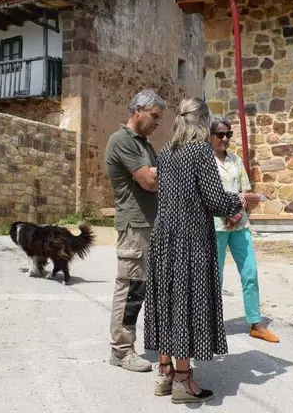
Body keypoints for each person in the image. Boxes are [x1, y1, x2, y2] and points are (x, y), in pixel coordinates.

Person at [144, 98, 258, 404]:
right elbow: (216, 200)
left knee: (166, 301)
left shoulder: (166, 152)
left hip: (163, 237)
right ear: (203, 122)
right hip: (190, 239)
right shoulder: (200, 152)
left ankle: (165, 372)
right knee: (184, 304)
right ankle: (183, 380)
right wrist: (242, 200)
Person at [104, 89, 164, 373]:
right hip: (135, 226)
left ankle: (134, 344)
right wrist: (156, 174)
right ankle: (121, 351)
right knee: (131, 288)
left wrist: (157, 172)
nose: (157, 123)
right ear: (137, 110)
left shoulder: (144, 144)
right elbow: (149, 182)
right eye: (154, 116)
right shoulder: (122, 140)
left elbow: (156, 175)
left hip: (150, 224)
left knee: (143, 287)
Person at [209, 115, 279, 343]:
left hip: (239, 225)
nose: (224, 139)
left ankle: (255, 322)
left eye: (228, 134)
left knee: (250, 272)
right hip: (216, 226)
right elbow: (208, 196)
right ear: (210, 136)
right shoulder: (205, 162)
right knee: (214, 277)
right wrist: (226, 214)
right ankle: (210, 325)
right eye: (220, 134)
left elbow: (246, 192)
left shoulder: (236, 161)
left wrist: (237, 214)